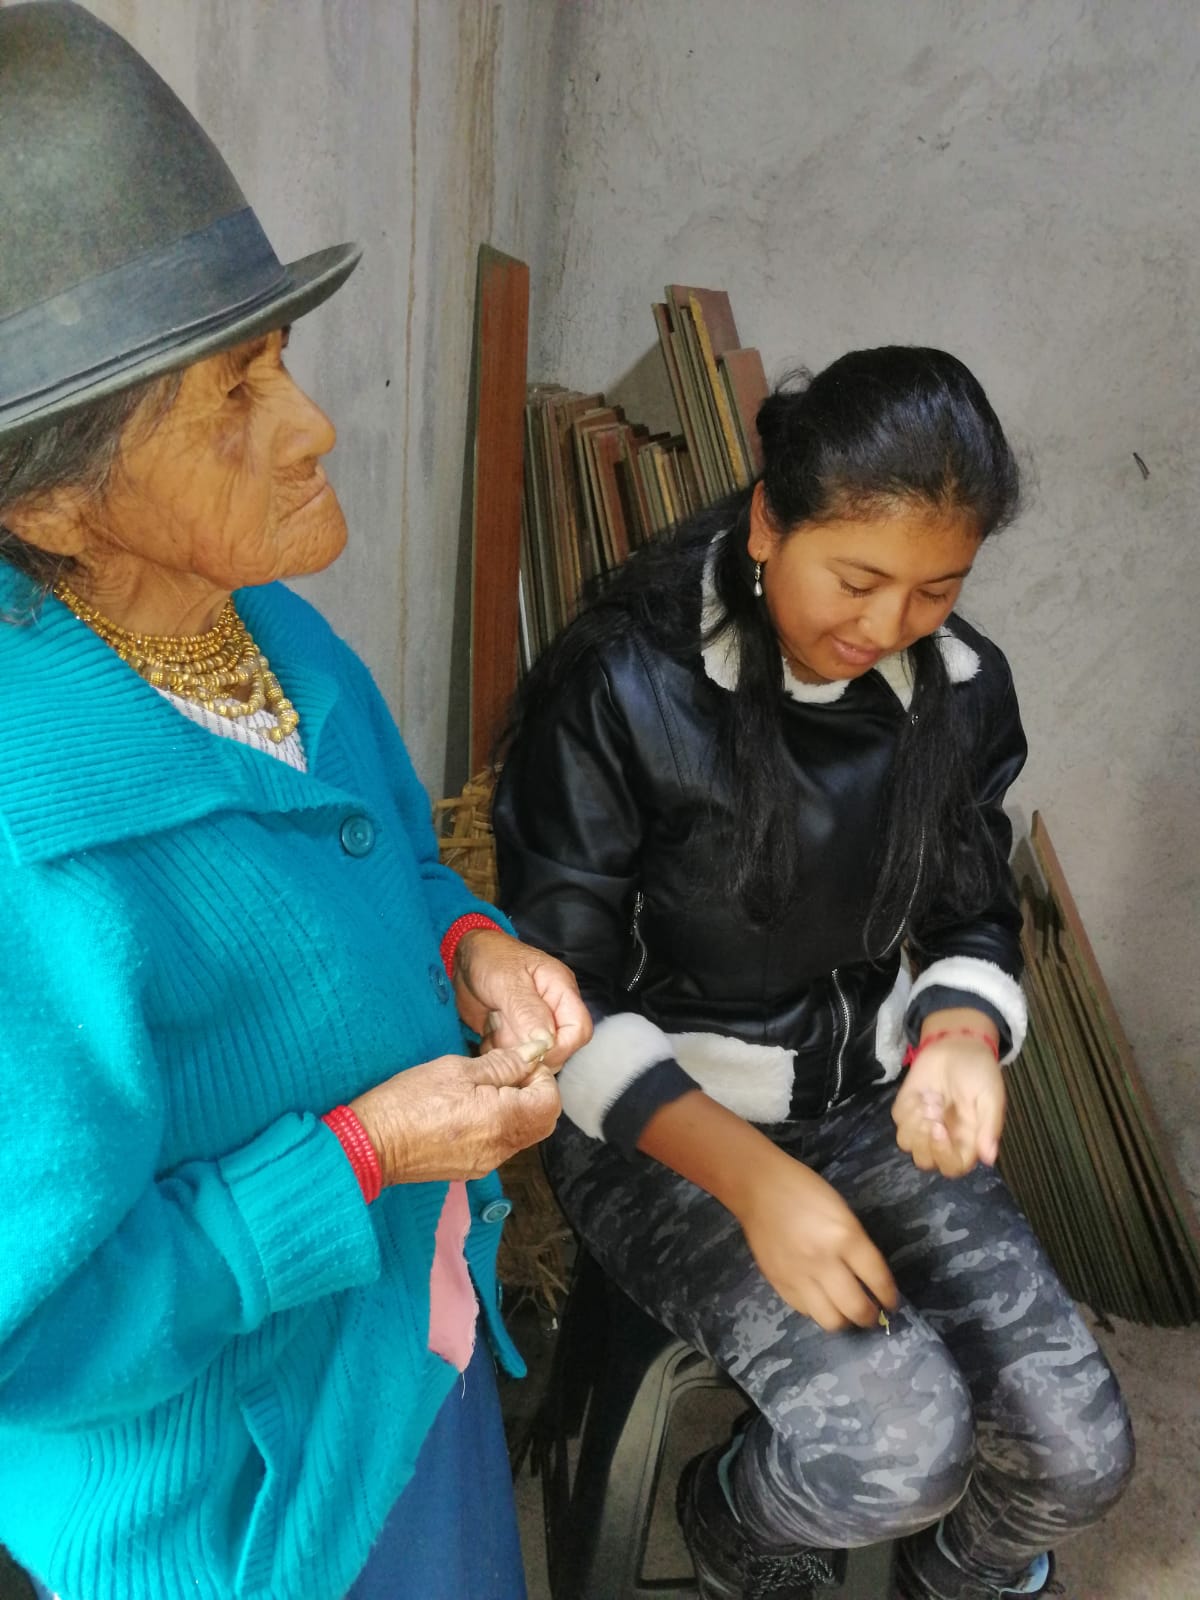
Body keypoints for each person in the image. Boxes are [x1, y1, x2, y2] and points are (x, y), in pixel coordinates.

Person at [0, 8, 590, 1600]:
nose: (314, 427)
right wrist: (367, 1155)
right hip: (240, 1519)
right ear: (49, 502)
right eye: (231, 398)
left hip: (397, 1365)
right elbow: (29, 1331)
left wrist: (471, 949)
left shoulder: (268, 631)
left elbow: (388, 862)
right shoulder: (26, 842)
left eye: (275, 362)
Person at [493, 345, 1134, 1600]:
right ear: (768, 524)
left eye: (936, 590)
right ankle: (736, 1518)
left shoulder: (959, 690)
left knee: (1078, 1455)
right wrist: (753, 1180)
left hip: (862, 1104)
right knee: (900, 1448)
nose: (888, 627)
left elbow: (968, 909)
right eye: (858, 578)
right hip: (657, 1130)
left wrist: (960, 1035)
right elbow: (559, 997)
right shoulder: (627, 685)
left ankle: (951, 1576)